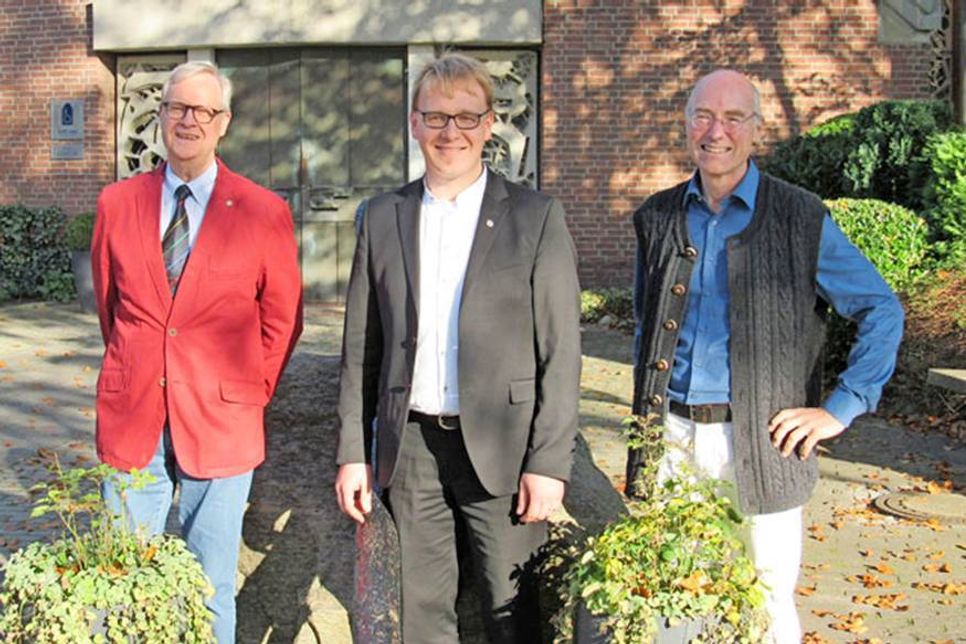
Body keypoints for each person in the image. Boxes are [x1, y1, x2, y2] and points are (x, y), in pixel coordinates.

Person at [627, 69, 903, 643]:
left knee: (766, 601)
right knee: (676, 602)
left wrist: (840, 407)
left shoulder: (800, 217)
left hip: (766, 442)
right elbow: (645, 325)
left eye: (733, 118)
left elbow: (881, 309)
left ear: (757, 129)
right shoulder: (656, 217)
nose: (716, 131)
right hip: (671, 440)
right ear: (686, 125)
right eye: (703, 115)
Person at [334, 52, 581, 643]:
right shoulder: (383, 216)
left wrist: (547, 464)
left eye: (467, 118)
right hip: (411, 447)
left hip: (504, 445)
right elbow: (360, 346)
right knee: (421, 614)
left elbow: (562, 349)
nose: (452, 132)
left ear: (490, 123)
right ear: (415, 124)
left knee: (512, 611)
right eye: (437, 117)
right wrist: (352, 451)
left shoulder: (535, 217)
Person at [91, 61, 303, 643]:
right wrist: (140, 364)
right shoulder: (117, 203)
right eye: (178, 107)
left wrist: (250, 388)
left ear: (224, 122)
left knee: (209, 587)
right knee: (122, 583)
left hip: (223, 419)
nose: (189, 120)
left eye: (203, 110)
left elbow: (283, 318)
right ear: (160, 116)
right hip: (134, 414)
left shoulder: (263, 210)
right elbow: (112, 306)